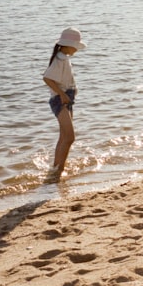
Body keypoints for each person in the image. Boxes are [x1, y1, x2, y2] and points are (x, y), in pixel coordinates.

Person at [43, 27, 86, 177]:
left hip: (66, 98)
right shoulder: (59, 59)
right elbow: (47, 78)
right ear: (67, 45)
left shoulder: (64, 57)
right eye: (75, 46)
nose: (76, 49)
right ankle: (58, 170)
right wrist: (62, 95)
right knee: (69, 137)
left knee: (64, 136)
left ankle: (57, 169)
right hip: (60, 100)